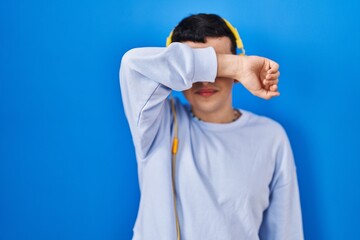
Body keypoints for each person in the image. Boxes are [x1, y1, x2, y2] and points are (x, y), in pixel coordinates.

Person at [119, 13, 303, 240]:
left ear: (237, 76)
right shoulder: (157, 124)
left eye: (217, 68)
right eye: (199, 68)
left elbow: (285, 232)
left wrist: (227, 65)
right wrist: (229, 65)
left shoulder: (270, 136)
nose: (205, 80)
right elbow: (132, 65)